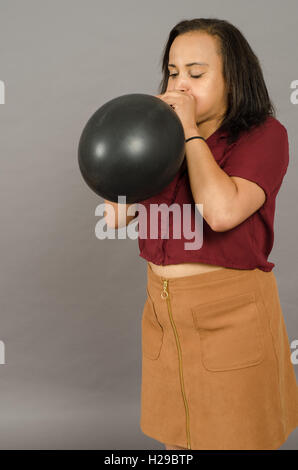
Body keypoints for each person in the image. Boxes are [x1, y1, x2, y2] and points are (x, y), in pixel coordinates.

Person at [107, 18, 298, 450]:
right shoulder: (161, 136)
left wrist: (190, 131)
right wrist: (132, 138)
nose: (180, 85)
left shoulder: (265, 136)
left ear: (234, 78)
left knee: (237, 436)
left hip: (233, 318)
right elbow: (116, 216)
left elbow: (222, 212)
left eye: (196, 73)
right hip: (164, 312)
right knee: (181, 438)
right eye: (174, 72)